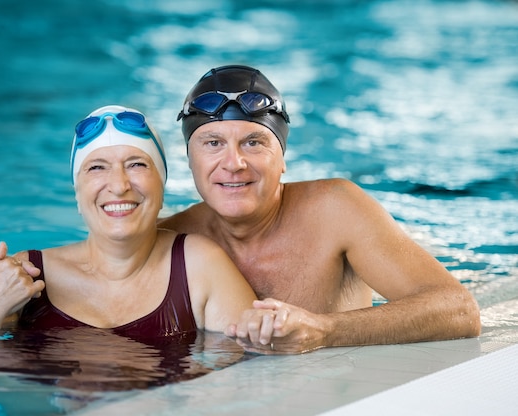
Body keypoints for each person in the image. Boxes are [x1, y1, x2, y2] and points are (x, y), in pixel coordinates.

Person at [159, 64, 481, 354]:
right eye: (213, 143)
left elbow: (459, 309)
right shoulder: (170, 241)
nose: (234, 163)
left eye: (254, 143)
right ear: (190, 160)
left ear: (282, 159)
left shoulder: (335, 210)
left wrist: (323, 330)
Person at [0, 105, 257, 339]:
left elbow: (255, 377)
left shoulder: (199, 266)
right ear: (77, 194)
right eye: (96, 167)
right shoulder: (26, 278)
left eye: (137, 164)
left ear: (162, 185)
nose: (118, 185)